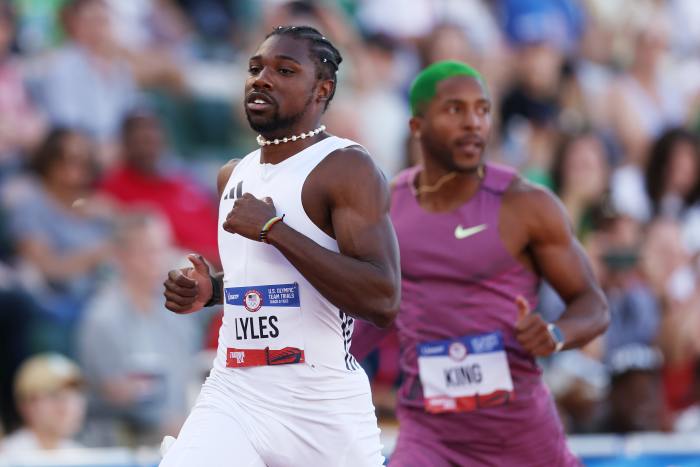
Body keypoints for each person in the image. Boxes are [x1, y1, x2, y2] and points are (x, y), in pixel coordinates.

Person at [161, 25, 400, 467]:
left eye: (284, 70)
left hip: (320, 399)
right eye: (255, 68)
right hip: (235, 388)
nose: (262, 79)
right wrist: (212, 290)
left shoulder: (345, 166)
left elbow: (382, 298)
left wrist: (276, 229)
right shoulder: (231, 175)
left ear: (321, 90)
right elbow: (269, 280)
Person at [352, 60, 609, 466]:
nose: (473, 122)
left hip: (521, 436)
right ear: (417, 126)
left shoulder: (526, 205)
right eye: (455, 109)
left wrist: (556, 334)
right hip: (429, 436)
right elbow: (366, 317)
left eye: (483, 110)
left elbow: (592, 304)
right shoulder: (387, 209)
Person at [0, 353, 86, 455]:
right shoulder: (8, 455)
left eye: (74, 395)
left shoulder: (82, 455)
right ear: (26, 405)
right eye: (54, 396)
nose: (68, 407)